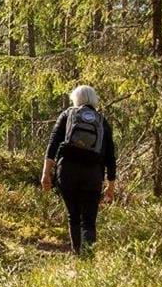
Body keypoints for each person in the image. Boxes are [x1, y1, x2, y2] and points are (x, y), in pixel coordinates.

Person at [41, 84, 117, 254]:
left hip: (67, 172)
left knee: (73, 215)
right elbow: (110, 156)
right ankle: (88, 259)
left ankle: (77, 255)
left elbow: (53, 143)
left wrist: (46, 173)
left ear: (76, 99)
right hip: (93, 175)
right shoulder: (101, 121)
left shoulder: (68, 115)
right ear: (94, 100)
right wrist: (111, 186)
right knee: (89, 220)